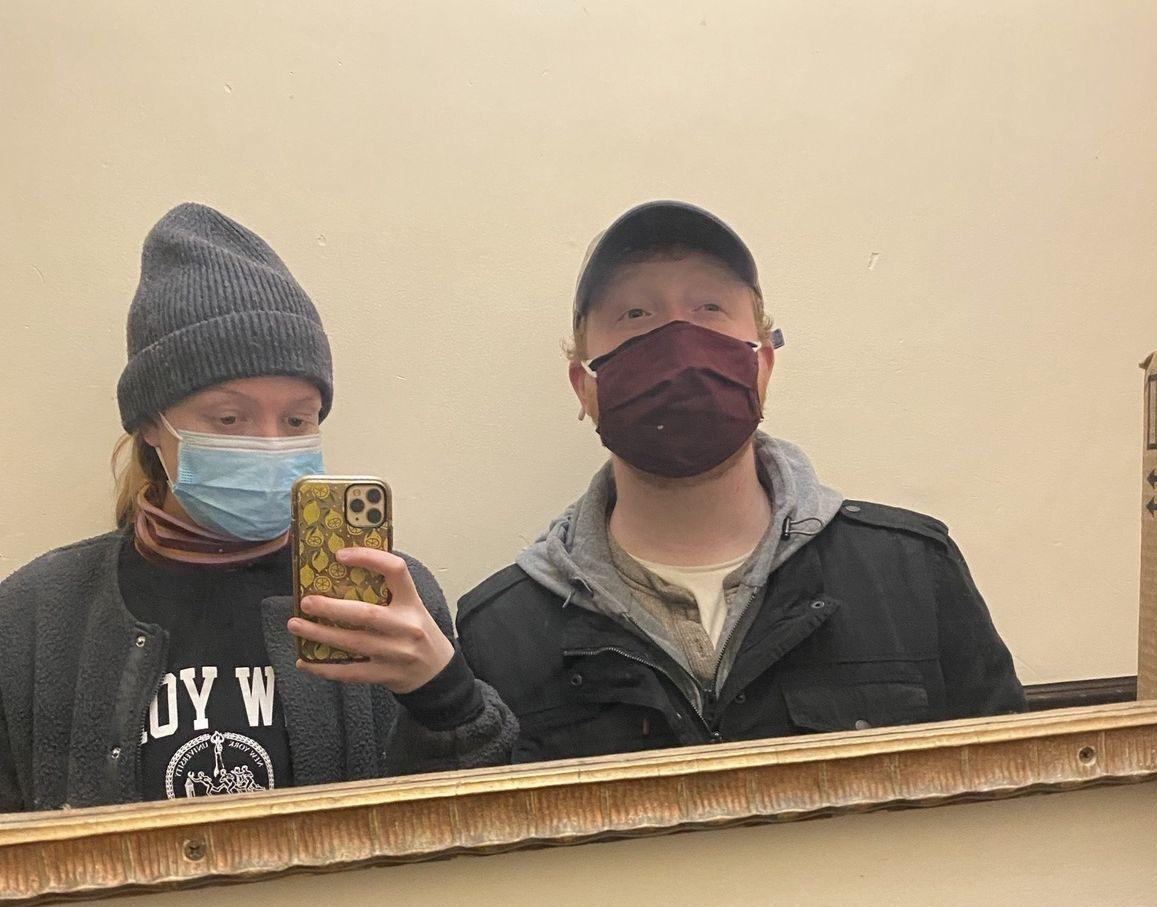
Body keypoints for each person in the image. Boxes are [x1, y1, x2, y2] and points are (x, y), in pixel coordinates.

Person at [458, 201, 1025, 762]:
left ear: (763, 365)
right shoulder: (503, 629)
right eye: (635, 313)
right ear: (584, 386)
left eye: (709, 307)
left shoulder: (911, 573)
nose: (678, 336)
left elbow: (1010, 799)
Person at [0, 203, 515, 811]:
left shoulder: (386, 595)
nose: (270, 444)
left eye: (297, 420)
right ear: (150, 424)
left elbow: (471, 825)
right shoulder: (37, 613)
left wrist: (447, 697)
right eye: (229, 418)